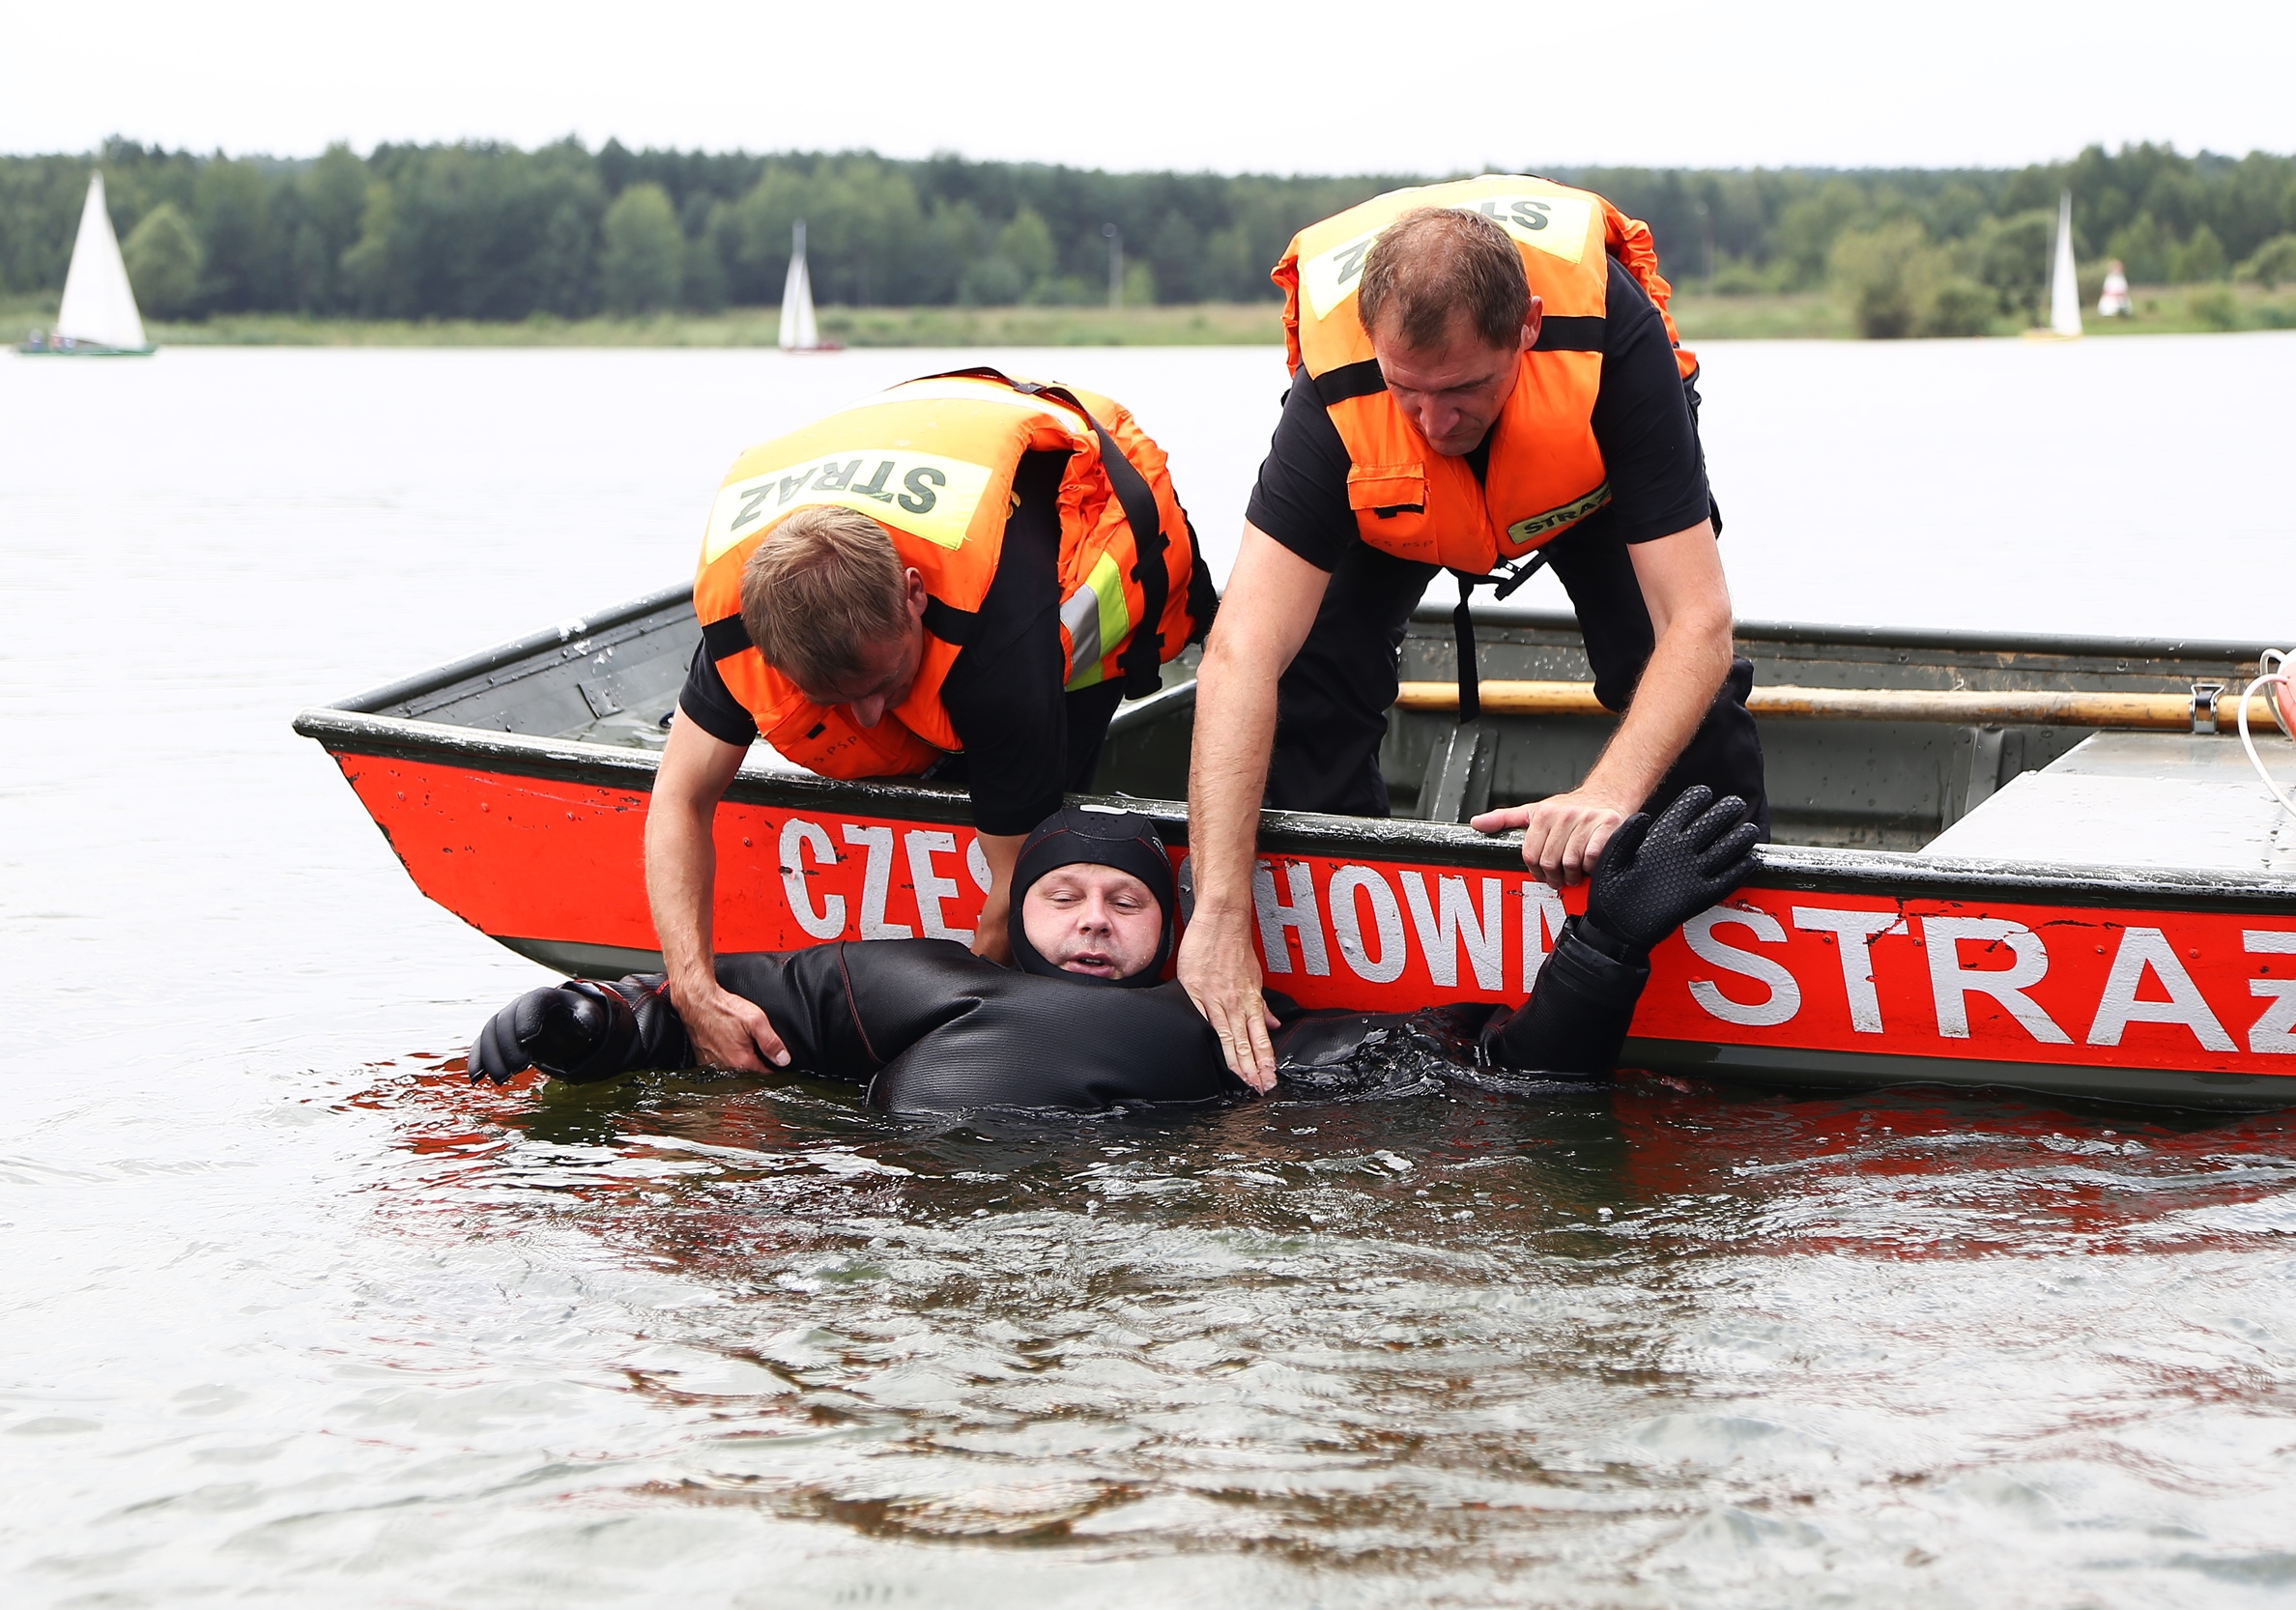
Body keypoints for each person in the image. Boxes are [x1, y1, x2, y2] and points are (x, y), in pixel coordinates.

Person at [1180, 176, 1768, 1087]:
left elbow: (1700, 622)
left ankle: (1722, 916)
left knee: (1677, 686)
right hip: (1389, 509)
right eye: (1407, 389)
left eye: (1463, 389)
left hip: (1588, 482)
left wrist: (1609, 793)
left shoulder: (1612, 341)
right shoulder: (1337, 397)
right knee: (1307, 685)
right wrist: (1216, 912)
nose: (1434, 421)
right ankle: (1341, 938)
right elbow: (1239, 653)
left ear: (1528, 328)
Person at [470, 790, 1759, 1118]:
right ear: (1018, 914)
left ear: (1175, 930)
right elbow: (705, 1005)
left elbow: (1518, 1079)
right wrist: (578, 1021)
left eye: (1125, 903)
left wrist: (1607, 942)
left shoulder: (1243, 1039)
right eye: (1066, 896)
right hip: (870, 1204)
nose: (1092, 918)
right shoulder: (909, 981)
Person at [652, 367, 1215, 1081]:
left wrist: (952, 1042)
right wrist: (693, 990)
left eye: (884, 683)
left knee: (1028, 801)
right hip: (906, 450)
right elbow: (678, 798)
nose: (866, 718)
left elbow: (1013, 902)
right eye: (834, 700)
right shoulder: (751, 624)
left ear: (915, 596)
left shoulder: (1006, 644)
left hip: (1085, 525)